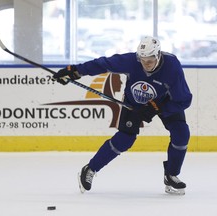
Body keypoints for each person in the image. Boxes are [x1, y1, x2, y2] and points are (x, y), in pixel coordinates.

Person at [53, 36, 192, 195]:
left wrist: (156, 108)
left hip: (164, 101)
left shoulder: (172, 67)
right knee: (125, 139)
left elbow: (184, 100)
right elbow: (102, 64)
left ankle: (171, 174)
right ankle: (90, 169)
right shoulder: (131, 61)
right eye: (142, 60)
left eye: (150, 61)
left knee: (181, 133)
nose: (146, 64)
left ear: (158, 55)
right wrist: (75, 71)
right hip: (135, 102)